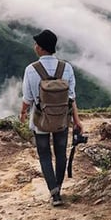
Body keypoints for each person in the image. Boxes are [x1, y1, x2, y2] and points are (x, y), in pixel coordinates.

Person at [20, 29, 83, 206]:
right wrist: (77, 121)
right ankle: (59, 188)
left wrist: (23, 112)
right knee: (61, 153)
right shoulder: (66, 68)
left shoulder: (31, 70)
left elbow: (28, 98)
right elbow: (71, 98)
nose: (35, 46)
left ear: (40, 48)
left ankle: (54, 193)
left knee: (44, 154)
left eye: (36, 44)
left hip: (40, 120)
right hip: (62, 120)